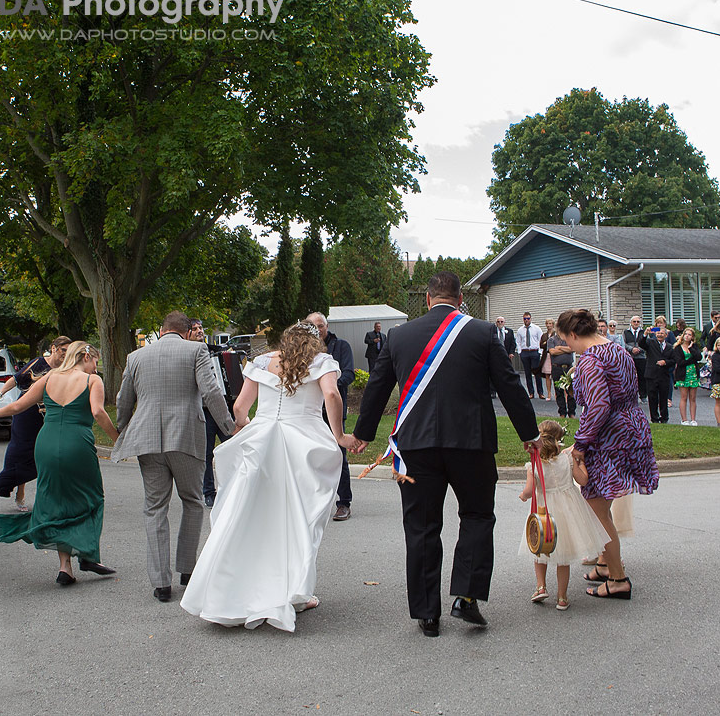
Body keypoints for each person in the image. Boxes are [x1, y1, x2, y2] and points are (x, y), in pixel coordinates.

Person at [351, 272, 540, 638]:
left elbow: (377, 385)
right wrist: (529, 434)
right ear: (459, 299)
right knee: (477, 516)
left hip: (415, 446)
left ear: (427, 299)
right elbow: (510, 386)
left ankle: (427, 614)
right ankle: (466, 597)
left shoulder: (398, 335)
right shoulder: (483, 332)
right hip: (472, 442)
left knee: (422, 527)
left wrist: (363, 433)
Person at [180, 323, 351, 631]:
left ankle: (227, 593)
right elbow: (331, 394)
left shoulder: (261, 362)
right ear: (315, 343)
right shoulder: (321, 362)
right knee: (297, 521)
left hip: (261, 443)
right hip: (302, 443)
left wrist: (248, 425)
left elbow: (239, 408)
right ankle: (294, 592)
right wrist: (338, 434)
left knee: (248, 517)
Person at [113, 311, 235, 603]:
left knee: (154, 508)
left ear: (161, 329)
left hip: (147, 439)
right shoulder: (197, 350)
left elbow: (123, 400)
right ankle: (187, 569)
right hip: (186, 436)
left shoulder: (135, 357)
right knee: (192, 501)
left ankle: (160, 582)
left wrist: (121, 428)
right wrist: (229, 428)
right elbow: (211, 392)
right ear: (185, 331)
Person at [0, 341, 118, 584]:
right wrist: (118, 440)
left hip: (45, 443)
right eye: (95, 362)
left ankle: (65, 567)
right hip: (77, 442)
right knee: (91, 496)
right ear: (86, 357)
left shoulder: (48, 377)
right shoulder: (91, 381)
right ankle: (88, 553)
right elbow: (98, 412)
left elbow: (18, 405)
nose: (96, 368)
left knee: (55, 498)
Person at [557, 308, 658, 601]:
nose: (569, 346)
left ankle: (617, 579)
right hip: (632, 429)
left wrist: (580, 444)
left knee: (597, 509)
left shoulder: (590, 360)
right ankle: (604, 563)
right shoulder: (618, 350)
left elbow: (598, 407)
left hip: (609, 437)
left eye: (566, 340)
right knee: (604, 502)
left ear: (574, 334)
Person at [517, 420, 611, 611]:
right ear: (559, 440)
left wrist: (524, 496)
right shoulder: (567, 459)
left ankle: (541, 586)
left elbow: (529, 489)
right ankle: (562, 597)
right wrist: (581, 463)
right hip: (567, 511)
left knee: (540, 549)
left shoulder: (534, 464)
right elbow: (582, 480)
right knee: (563, 557)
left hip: (544, 510)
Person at [0, 336, 70, 510]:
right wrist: (0, 394)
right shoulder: (39, 363)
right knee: (23, 452)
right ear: (54, 348)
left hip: (49, 416)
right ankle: (19, 492)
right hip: (26, 413)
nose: (65, 354)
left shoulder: (67, 370)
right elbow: (16, 379)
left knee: (48, 455)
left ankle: (51, 495)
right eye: (63, 350)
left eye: (68, 351)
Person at [307, 312, 355, 522]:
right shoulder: (303, 350)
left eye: (320, 326)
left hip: (332, 410)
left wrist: (331, 384)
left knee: (339, 455)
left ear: (327, 326)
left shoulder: (341, 346)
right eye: (313, 327)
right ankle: (314, 500)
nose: (317, 330)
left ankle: (343, 502)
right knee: (311, 456)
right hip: (310, 412)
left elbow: (348, 373)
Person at [189, 319, 231, 509]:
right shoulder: (187, 353)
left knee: (231, 447)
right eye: (194, 329)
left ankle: (232, 488)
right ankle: (209, 492)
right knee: (206, 454)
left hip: (221, 408)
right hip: (202, 410)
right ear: (187, 333)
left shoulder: (215, 351)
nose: (199, 331)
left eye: (200, 328)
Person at [642, 327, 674, 424]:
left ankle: (664, 418)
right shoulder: (651, 343)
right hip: (651, 374)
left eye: (662, 333)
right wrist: (645, 334)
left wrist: (665, 362)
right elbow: (642, 344)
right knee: (652, 397)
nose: (660, 335)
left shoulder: (669, 347)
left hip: (664, 375)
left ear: (666, 335)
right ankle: (654, 418)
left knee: (663, 397)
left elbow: (673, 360)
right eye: (658, 333)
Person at [672, 328, 701, 425]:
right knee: (684, 397)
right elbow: (680, 362)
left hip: (693, 374)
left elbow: (699, 357)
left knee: (693, 398)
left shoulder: (694, 346)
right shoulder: (678, 348)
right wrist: (691, 360)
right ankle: (684, 419)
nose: (687, 336)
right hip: (683, 374)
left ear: (692, 337)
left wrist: (692, 349)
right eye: (686, 334)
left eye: (690, 334)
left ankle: (693, 419)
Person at [545, 324, 575, 418]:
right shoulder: (551, 340)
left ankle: (572, 413)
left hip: (568, 368)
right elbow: (552, 352)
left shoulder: (569, 339)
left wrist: (560, 348)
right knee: (559, 391)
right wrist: (565, 350)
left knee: (570, 390)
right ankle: (562, 412)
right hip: (556, 367)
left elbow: (572, 349)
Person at [516, 312, 544, 399]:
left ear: (530, 319)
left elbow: (541, 340)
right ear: (523, 319)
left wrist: (540, 352)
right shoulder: (520, 330)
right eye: (525, 319)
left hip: (534, 352)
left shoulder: (536, 329)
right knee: (527, 373)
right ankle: (531, 393)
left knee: (537, 373)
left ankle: (540, 392)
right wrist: (520, 352)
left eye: (528, 318)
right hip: (525, 352)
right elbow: (518, 342)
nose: (526, 320)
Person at [622, 316, 648, 400]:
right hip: (630, 356)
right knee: (629, 376)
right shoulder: (626, 332)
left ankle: (643, 395)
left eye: (637, 321)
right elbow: (623, 343)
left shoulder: (644, 332)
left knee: (642, 376)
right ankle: (630, 395)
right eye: (634, 321)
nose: (636, 323)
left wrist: (639, 349)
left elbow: (647, 343)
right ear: (631, 322)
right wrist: (631, 349)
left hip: (641, 357)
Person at [539, 318, 557, 401]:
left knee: (555, 375)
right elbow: (541, 345)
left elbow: (555, 344)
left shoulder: (556, 334)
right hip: (546, 356)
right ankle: (549, 393)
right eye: (547, 323)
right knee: (547, 375)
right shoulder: (544, 335)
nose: (549, 325)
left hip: (554, 356)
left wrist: (546, 343)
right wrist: (546, 342)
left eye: (550, 323)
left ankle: (556, 393)